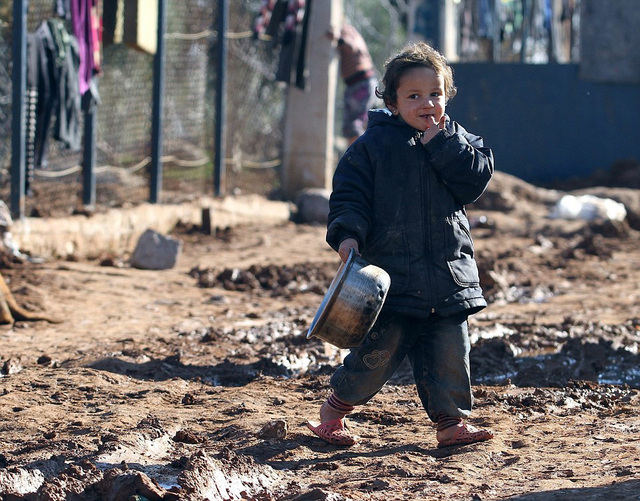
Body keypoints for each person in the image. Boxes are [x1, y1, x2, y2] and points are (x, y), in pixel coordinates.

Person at [306, 41, 495, 448]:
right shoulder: (371, 149)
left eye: (435, 94)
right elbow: (349, 198)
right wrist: (348, 237)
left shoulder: (455, 140)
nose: (427, 103)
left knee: (450, 354)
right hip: (393, 282)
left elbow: (475, 180)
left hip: (448, 277)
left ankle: (451, 423)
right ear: (392, 102)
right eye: (414, 96)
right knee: (377, 357)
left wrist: (441, 143)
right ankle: (334, 411)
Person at [328, 23, 379, 145]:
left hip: (361, 84)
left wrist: (338, 38)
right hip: (355, 85)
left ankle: (360, 159)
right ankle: (354, 158)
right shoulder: (353, 35)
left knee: (354, 125)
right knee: (349, 126)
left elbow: (351, 47)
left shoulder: (350, 35)